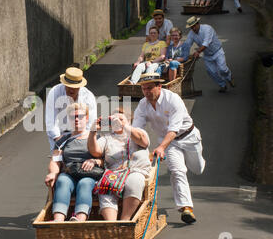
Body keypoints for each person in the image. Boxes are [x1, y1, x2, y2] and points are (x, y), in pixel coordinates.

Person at [132, 73, 206, 224]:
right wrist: (131, 150)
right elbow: (136, 130)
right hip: (170, 144)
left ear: (159, 86)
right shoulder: (142, 105)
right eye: (144, 89)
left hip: (188, 137)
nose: (146, 92)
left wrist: (160, 147)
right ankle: (186, 208)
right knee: (178, 171)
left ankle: (196, 162)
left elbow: (174, 129)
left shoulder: (173, 99)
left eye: (150, 88)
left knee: (198, 169)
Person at [88, 108, 151, 221]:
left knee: (134, 181)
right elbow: (95, 151)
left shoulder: (137, 132)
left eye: (121, 119)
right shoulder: (106, 138)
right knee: (105, 187)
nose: (117, 122)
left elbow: (143, 141)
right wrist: (93, 131)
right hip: (115, 173)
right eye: (114, 120)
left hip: (136, 170)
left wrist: (124, 126)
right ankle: (111, 224)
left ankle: (124, 220)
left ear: (129, 121)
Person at [44, 103, 102, 222]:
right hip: (69, 174)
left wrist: (94, 161)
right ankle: (58, 220)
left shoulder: (96, 137)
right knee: (62, 180)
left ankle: (80, 219)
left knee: (84, 183)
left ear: (86, 118)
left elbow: (105, 159)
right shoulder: (62, 140)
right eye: (72, 117)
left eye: (79, 116)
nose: (76, 119)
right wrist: (53, 173)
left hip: (89, 175)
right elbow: (55, 161)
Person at [45, 67, 97, 151]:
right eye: (69, 86)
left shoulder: (88, 96)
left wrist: (83, 140)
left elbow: (91, 122)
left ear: (80, 86)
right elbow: (51, 121)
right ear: (64, 84)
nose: (71, 89)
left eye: (75, 87)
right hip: (59, 135)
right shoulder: (54, 92)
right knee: (57, 161)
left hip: (81, 135)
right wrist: (59, 141)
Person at [184, 16, 235, 93]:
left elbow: (206, 43)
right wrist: (183, 54)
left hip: (217, 51)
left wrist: (197, 52)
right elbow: (187, 45)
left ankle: (229, 77)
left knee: (222, 69)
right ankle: (222, 85)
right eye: (191, 27)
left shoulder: (207, 29)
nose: (193, 28)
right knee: (212, 72)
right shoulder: (191, 34)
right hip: (207, 55)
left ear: (198, 23)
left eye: (194, 26)